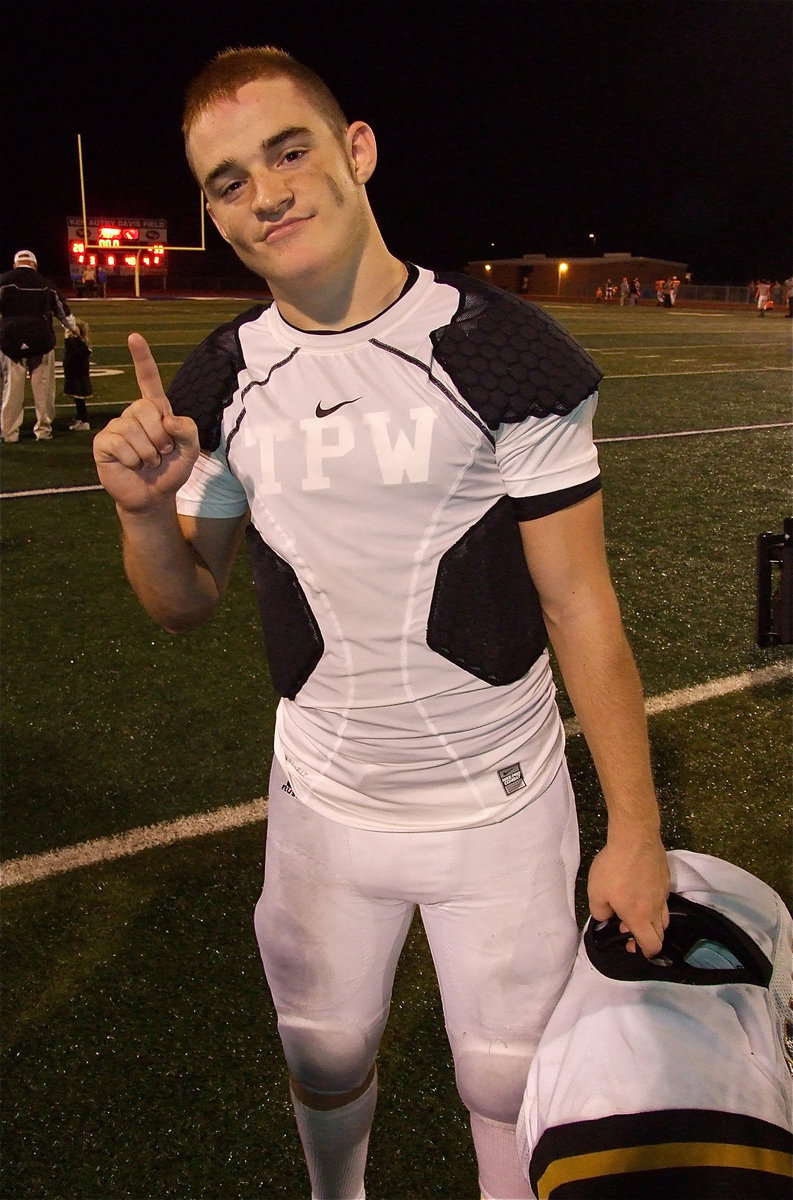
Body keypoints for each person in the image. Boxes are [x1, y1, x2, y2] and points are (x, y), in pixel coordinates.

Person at [92, 46, 670, 1200]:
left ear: (355, 150)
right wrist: (148, 520)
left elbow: (577, 602)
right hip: (324, 809)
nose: (265, 193)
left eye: (288, 150)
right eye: (226, 180)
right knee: (324, 1053)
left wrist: (635, 832)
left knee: (507, 1090)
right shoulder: (217, 381)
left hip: (498, 814)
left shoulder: (505, 354)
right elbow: (183, 603)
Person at [0, 249, 78, 443]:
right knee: (43, 390)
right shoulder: (46, 284)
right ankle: (43, 430)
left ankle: (9, 433)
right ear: (34, 265)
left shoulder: (2, 281)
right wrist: (74, 330)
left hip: (11, 341)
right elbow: (63, 312)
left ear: (15, 264)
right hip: (41, 340)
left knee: (12, 390)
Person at [63, 319, 92, 431]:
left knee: (80, 402)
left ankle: (84, 421)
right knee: (78, 401)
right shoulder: (77, 343)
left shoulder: (76, 344)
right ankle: (81, 419)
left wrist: (67, 340)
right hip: (76, 377)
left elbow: (73, 357)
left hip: (78, 379)